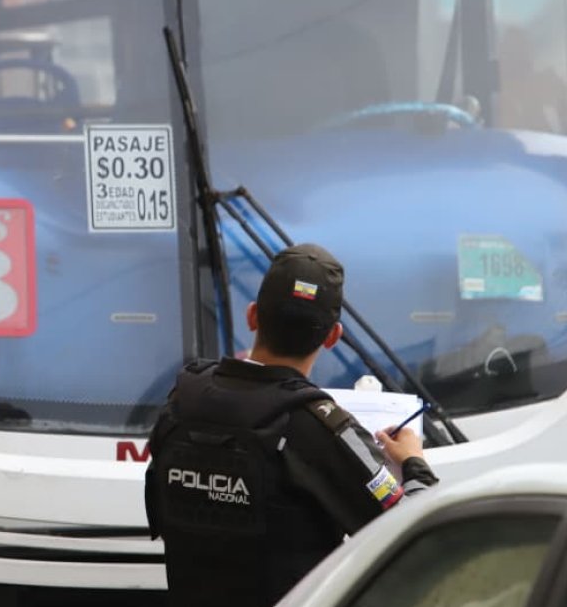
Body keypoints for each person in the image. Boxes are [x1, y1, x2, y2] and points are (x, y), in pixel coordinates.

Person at [144, 243, 439, 607]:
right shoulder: (318, 427)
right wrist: (414, 462)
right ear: (332, 337)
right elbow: (417, 537)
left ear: (253, 316)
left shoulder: (181, 402)